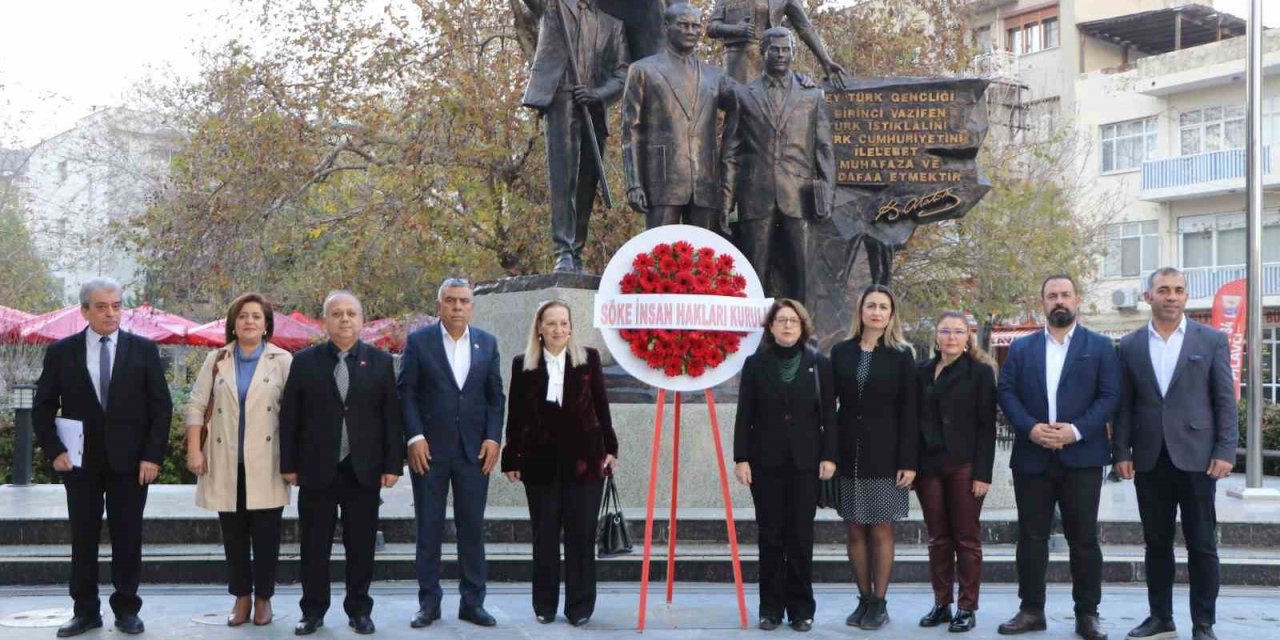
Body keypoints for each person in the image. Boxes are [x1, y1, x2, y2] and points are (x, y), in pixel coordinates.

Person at [33, 278, 173, 637]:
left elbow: (161, 407)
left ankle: (127, 609)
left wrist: (152, 457)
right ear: (84, 310)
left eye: (116, 305)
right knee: (83, 538)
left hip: (131, 464)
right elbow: (43, 406)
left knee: (128, 536)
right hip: (80, 464)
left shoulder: (143, 350)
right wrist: (55, 451)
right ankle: (85, 611)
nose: (111, 312)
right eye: (101, 306)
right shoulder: (62, 352)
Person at [1113, 268, 1237, 640]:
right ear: (1149, 296)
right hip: (1150, 458)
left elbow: (1224, 401)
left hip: (1198, 458)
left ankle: (1204, 623)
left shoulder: (1211, 339)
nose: (1171, 296)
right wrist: (1121, 450)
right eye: (1163, 290)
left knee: (1202, 544)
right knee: (1156, 544)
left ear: (1186, 297)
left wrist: (1225, 450)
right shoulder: (1130, 344)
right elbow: (1125, 405)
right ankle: (1160, 617)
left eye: (1179, 290)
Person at [996, 275, 1119, 640]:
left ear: (1077, 300)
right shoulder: (1022, 348)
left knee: (1084, 539)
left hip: (1081, 456)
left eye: (1065, 294)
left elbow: (1110, 395)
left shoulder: (1099, 346)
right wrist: (1031, 428)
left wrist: (1075, 431)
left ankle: (1087, 614)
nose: (1059, 301)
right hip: (1032, 457)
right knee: (1031, 537)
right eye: (1052, 296)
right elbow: (1007, 392)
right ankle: (1031, 610)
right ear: (1042, 303)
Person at [280, 290, 404, 636]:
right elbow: (290, 417)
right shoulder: (304, 362)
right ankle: (313, 611)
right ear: (325, 321)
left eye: (351, 313)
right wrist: (288, 464)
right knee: (314, 546)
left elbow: (391, 417)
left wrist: (393, 464)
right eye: (337, 314)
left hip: (362, 470)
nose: (345, 319)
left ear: (362, 320)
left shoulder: (380, 362)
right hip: (317, 469)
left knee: (361, 546)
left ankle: (359, 610)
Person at [500, 300, 619, 626]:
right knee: (545, 539)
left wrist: (611, 448)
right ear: (539, 327)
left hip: (585, 464)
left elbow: (601, 406)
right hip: (540, 466)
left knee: (581, 538)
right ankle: (545, 605)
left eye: (564, 323)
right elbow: (517, 416)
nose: (558, 330)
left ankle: (580, 607)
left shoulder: (588, 359)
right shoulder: (523, 364)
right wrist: (512, 456)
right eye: (551, 323)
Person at [398, 278, 505, 628]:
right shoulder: (419, 342)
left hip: (474, 452)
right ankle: (429, 603)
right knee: (428, 527)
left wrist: (493, 438)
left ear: (472, 306)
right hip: (428, 451)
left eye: (464, 301)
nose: (458, 307)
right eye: (451, 300)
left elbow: (495, 397)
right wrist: (414, 436)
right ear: (439, 304)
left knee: (472, 527)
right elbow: (407, 393)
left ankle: (472, 602)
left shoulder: (487, 343)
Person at [185, 293, 294, 627]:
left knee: (267, 535)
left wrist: (295, 461)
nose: (249, 322)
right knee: (233, 536)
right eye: (243, 316)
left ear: (266, 325)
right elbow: (195, 404)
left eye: (256, 317)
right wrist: (194, 449)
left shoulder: (283, 360)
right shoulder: (217, 359)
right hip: (225, 459)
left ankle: (264, 598)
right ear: (233, 323)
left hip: (267, 461)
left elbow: (295, 415)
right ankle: (241, 597)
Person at [733, 299, 837, 632]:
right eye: (781, 321)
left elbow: (830, 418)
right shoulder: (755, 364)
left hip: (806, 463)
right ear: (771, 327)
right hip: (765, 464)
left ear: (802, 326)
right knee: (771, 537)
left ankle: (801, 610)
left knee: (801, 537)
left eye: (793, 321)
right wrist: (741, 458)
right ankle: (770, 609)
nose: (788, 326)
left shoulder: (819, 364)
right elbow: (744, 415)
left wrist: (829, 456)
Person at [721, 27, 834, 304]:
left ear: (793, 53)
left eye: (787, 50)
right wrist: (725, 203)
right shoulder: (744, 95)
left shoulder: (812, 96)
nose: (781, 55)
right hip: (755, 196)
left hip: (799, 195)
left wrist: (827, 196)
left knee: (800, 275)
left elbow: (824, 150)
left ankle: (803, 338)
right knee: (752, 275)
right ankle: (754, 340)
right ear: (764, 52)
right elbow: (730, 153)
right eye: (776, 49)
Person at [830, 284, 917, 631]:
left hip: (887, 453)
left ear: (891, 315)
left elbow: (910, 411)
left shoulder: (900, 355)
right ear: (861, 311)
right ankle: (863, 599)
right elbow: (829, 407)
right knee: (853, 527)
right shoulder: (841, 352)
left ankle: (880, 603)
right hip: (849, 452)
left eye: (883, 307)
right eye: (871, 306)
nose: (877, 312)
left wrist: (909, 461)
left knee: (881, 527)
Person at [521, 0, 630, 273]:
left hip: (592, 106)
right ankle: (563, 251)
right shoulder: (552, 7)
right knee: (563, 179)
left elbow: (623, 73)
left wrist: (598, 93)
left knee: (586, 182)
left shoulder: (612, 26)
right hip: (561, 100)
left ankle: (577, 250)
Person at [913, 311, 997, 634]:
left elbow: (987, 427)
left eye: (958, 332)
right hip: (928, 467)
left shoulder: (979, 373)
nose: (951, 337)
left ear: (967, 338)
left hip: (964, 466)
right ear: (936, 336)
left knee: (966, 537)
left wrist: (983, 473)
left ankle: (967, 606)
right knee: (937, 538)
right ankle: (942, 602)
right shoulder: (920, 371)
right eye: (945, 331)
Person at [621, 2, 735, 230]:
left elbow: (749, 99)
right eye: (684, 25)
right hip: (662, 181)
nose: (691, 31)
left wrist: (803, 84)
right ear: (666, 26)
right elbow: (630, 131)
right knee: (657, 257)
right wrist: (634, 183)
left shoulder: (715, 76)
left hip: (706, 182)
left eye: (695, 26)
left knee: (706, 260)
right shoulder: (643, 70)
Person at [705, 0, 844, 84]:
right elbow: (711, 27)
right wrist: (735, 29)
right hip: (739, 61)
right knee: (740, 112)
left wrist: (825, 60)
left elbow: (805, 27)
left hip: (773, 57)